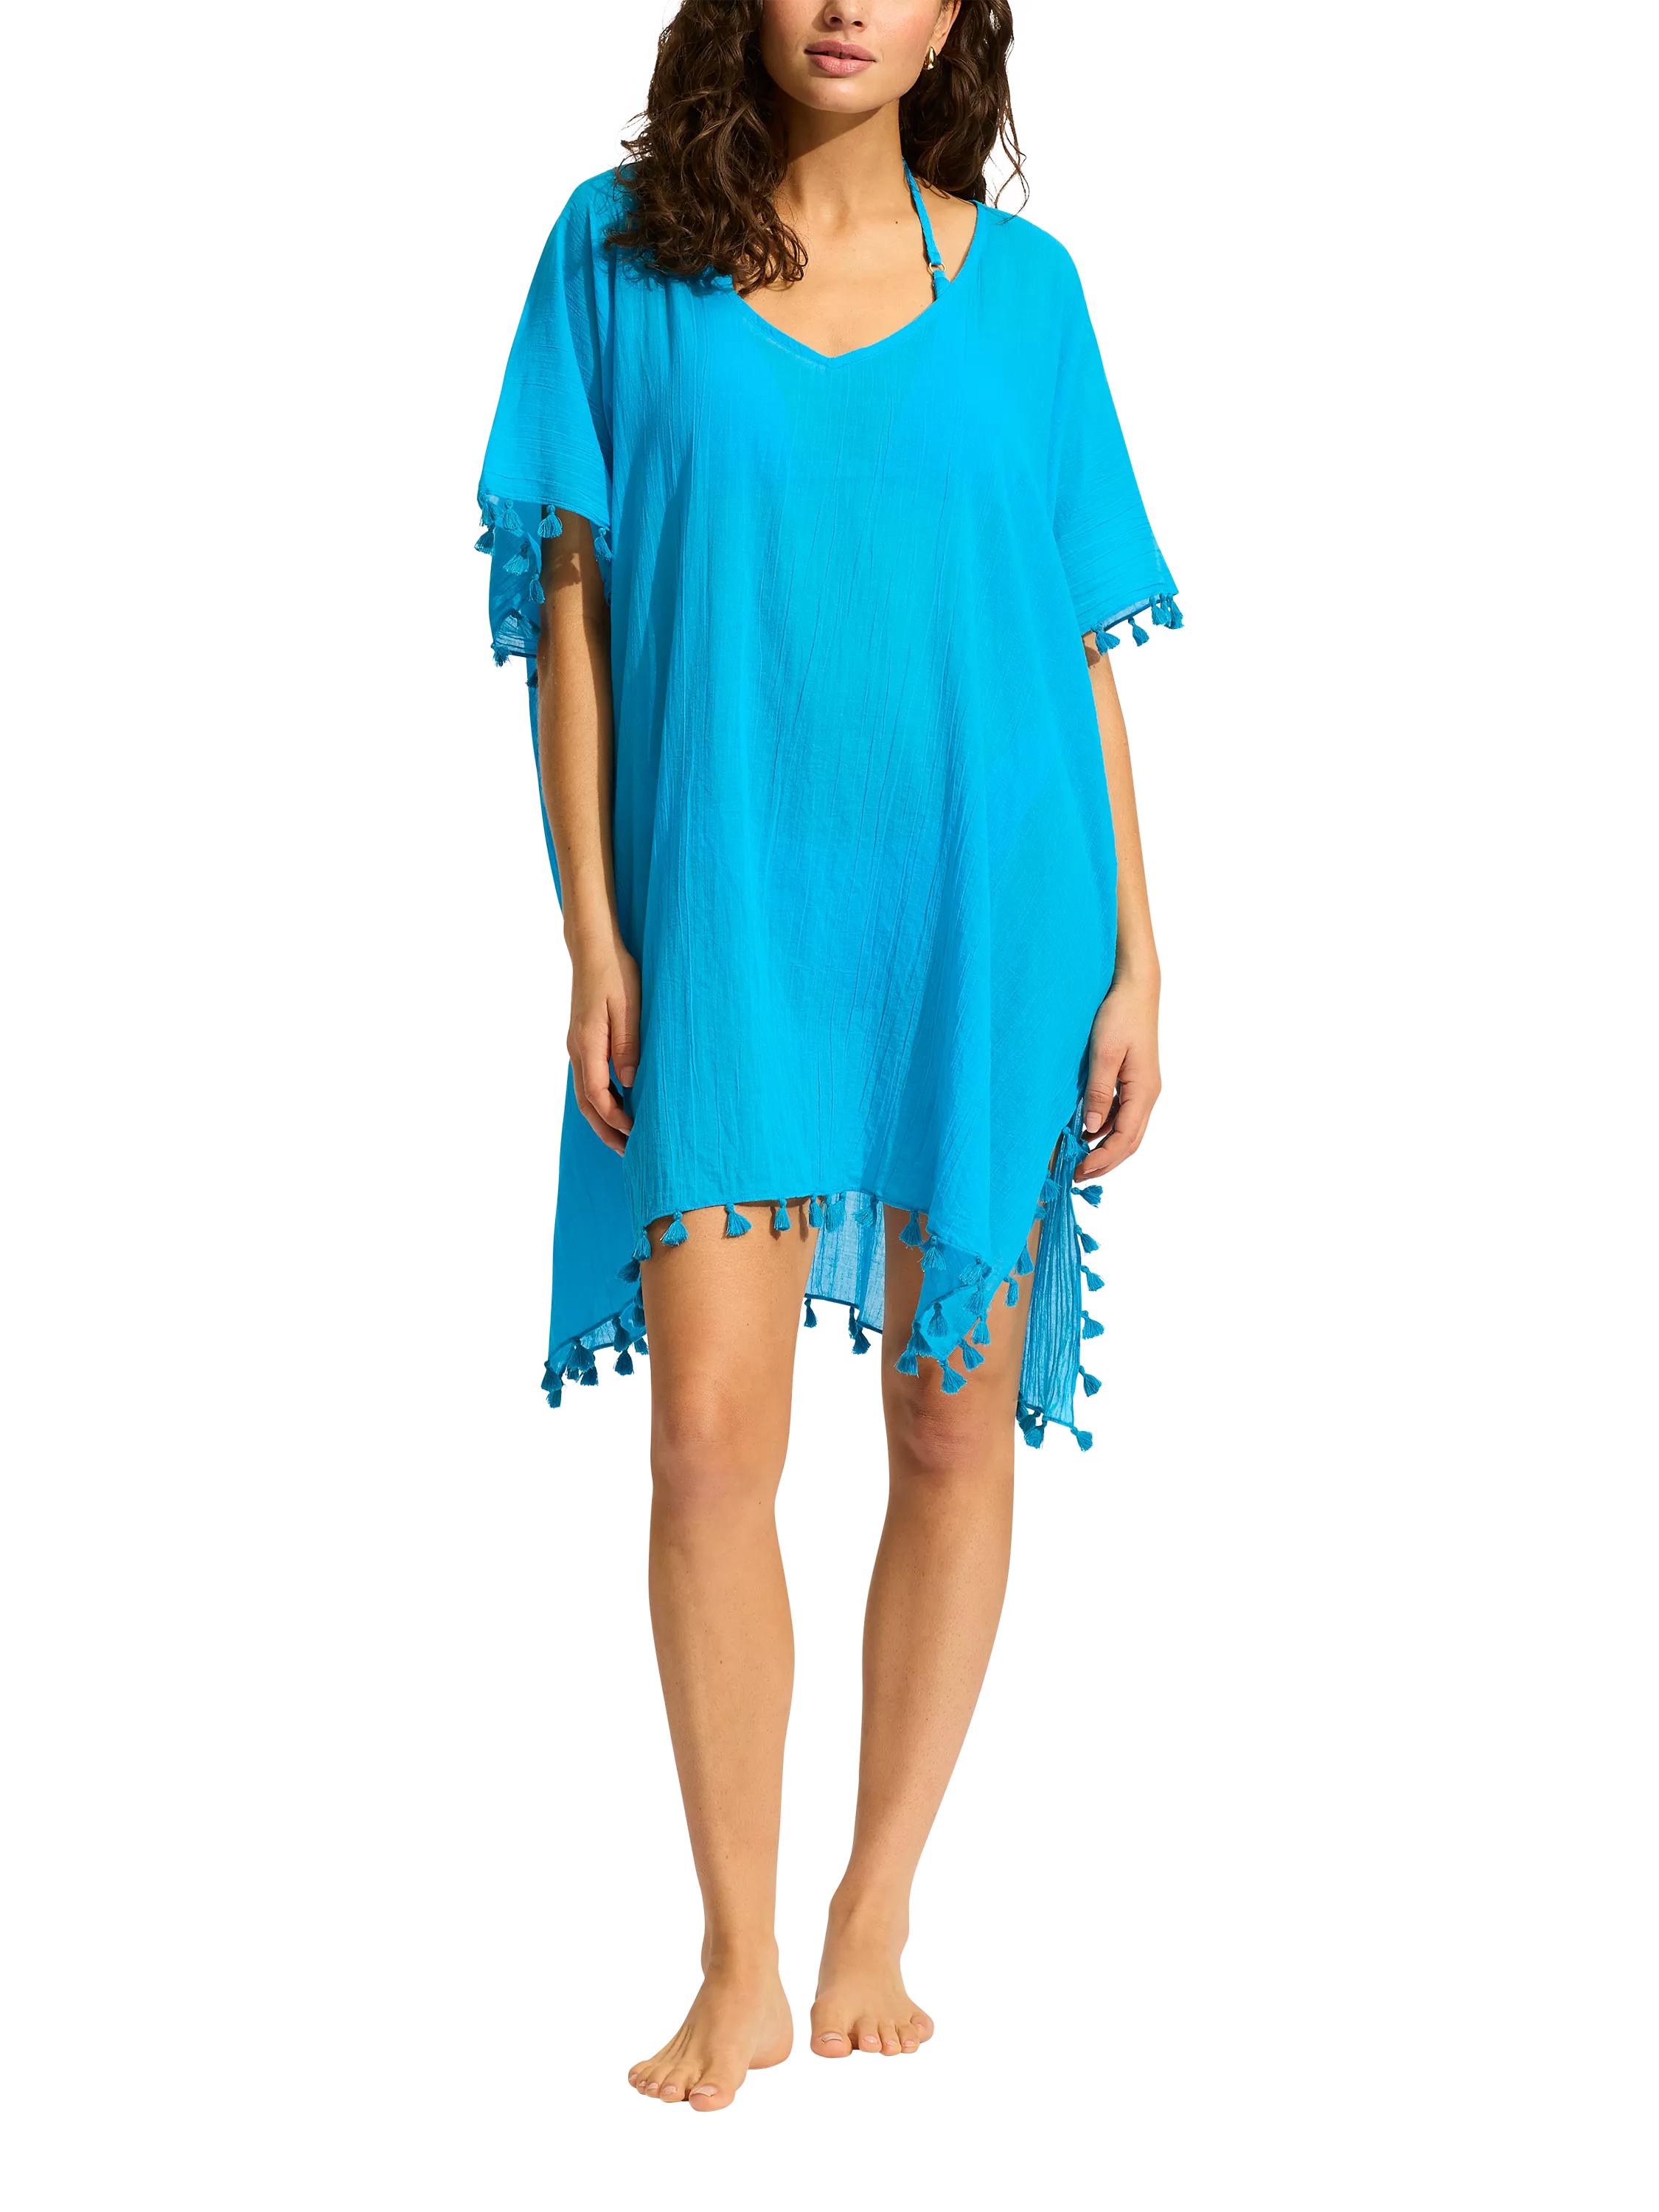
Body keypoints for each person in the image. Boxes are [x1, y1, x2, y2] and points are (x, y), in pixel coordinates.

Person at [476, 0, 1180, 2113]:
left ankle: (875, 1909)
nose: (849, 6)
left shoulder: (1026, 294)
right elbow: (572, 608)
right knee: (709, 1443)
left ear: (965, 14)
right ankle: (739, 1955)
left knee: (952, 1431)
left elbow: (1073, 642)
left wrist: (1138, 959)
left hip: (991, 913)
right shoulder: (617, 259)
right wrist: (595, 932)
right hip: (732, 918)